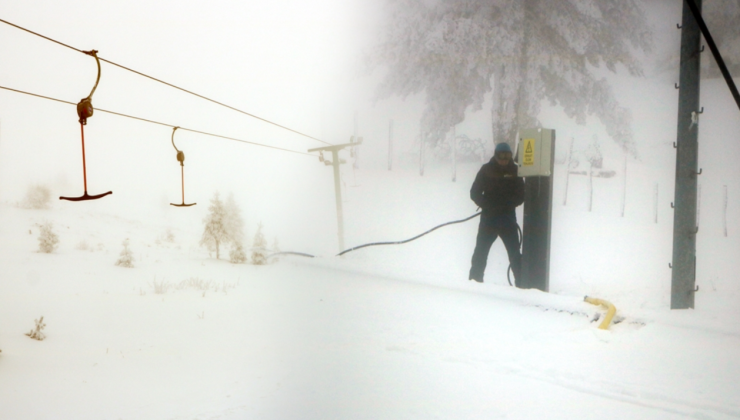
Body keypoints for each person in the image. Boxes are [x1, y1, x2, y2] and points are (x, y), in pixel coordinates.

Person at [468, 142, 525, 284]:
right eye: (501, 156)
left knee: (515, 256)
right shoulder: (486, 170)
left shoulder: (515, 171)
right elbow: (474, 192)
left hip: (508, 221)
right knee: (480, 254)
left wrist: (507, 204)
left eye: (507, 156)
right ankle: (474, 284)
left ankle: (523, 286)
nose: (504, 160)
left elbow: (522, 195)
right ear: (496, 155)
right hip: (489, 220)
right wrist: (487, 204)